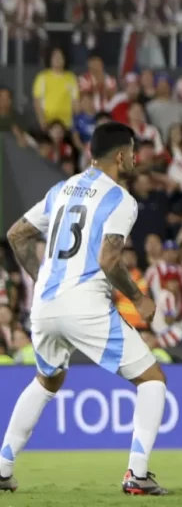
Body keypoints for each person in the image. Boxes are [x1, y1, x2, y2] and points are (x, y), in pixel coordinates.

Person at [0, 124, 168, 495]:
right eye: (133, 151)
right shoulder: (121, 199)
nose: (136, 158)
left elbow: (16, 234)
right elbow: (109, 259)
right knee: (152, 378)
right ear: (121, 156)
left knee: (47, 381)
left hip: (44, 305)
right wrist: (138, 297)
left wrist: (42, 277)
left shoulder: (61, 189)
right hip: (85, 304)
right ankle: (137, 475)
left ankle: (2, 467)